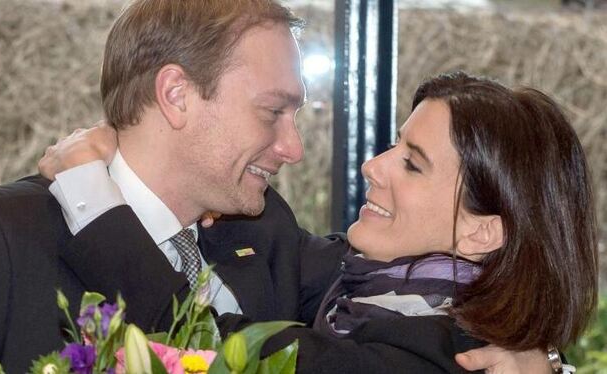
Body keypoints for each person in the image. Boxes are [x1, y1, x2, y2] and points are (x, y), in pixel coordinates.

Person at [0, 0, 547, 371]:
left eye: (297, 116)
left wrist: (546, 365)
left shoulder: (268, 233)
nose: (294, 147)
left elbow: (457, 304)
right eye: (272, 112)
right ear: (177, 95)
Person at [43, 72, 595, 373]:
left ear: (481, 232)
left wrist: (89, 190)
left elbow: (196, 338)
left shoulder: (431, 354)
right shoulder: (367, 282)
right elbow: (280, 243)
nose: (372, 166)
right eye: (394, 144)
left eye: (412, 163)